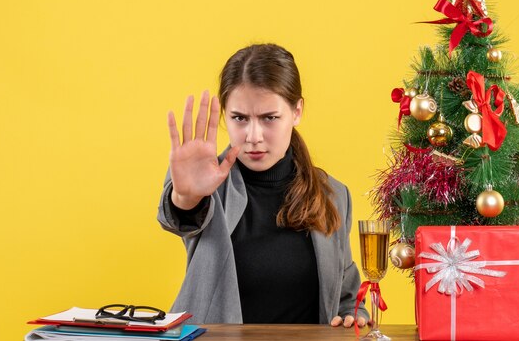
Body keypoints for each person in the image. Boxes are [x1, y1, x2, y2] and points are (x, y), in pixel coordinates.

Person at [157, 43, 368, 327]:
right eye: (239, 118)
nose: (253, 136)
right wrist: (185, 197)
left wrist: (355, 315)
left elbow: (346, 294)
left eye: (269, 118)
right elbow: (179, 215)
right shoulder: (207, 184)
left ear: (297, 111)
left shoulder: (333, 195)